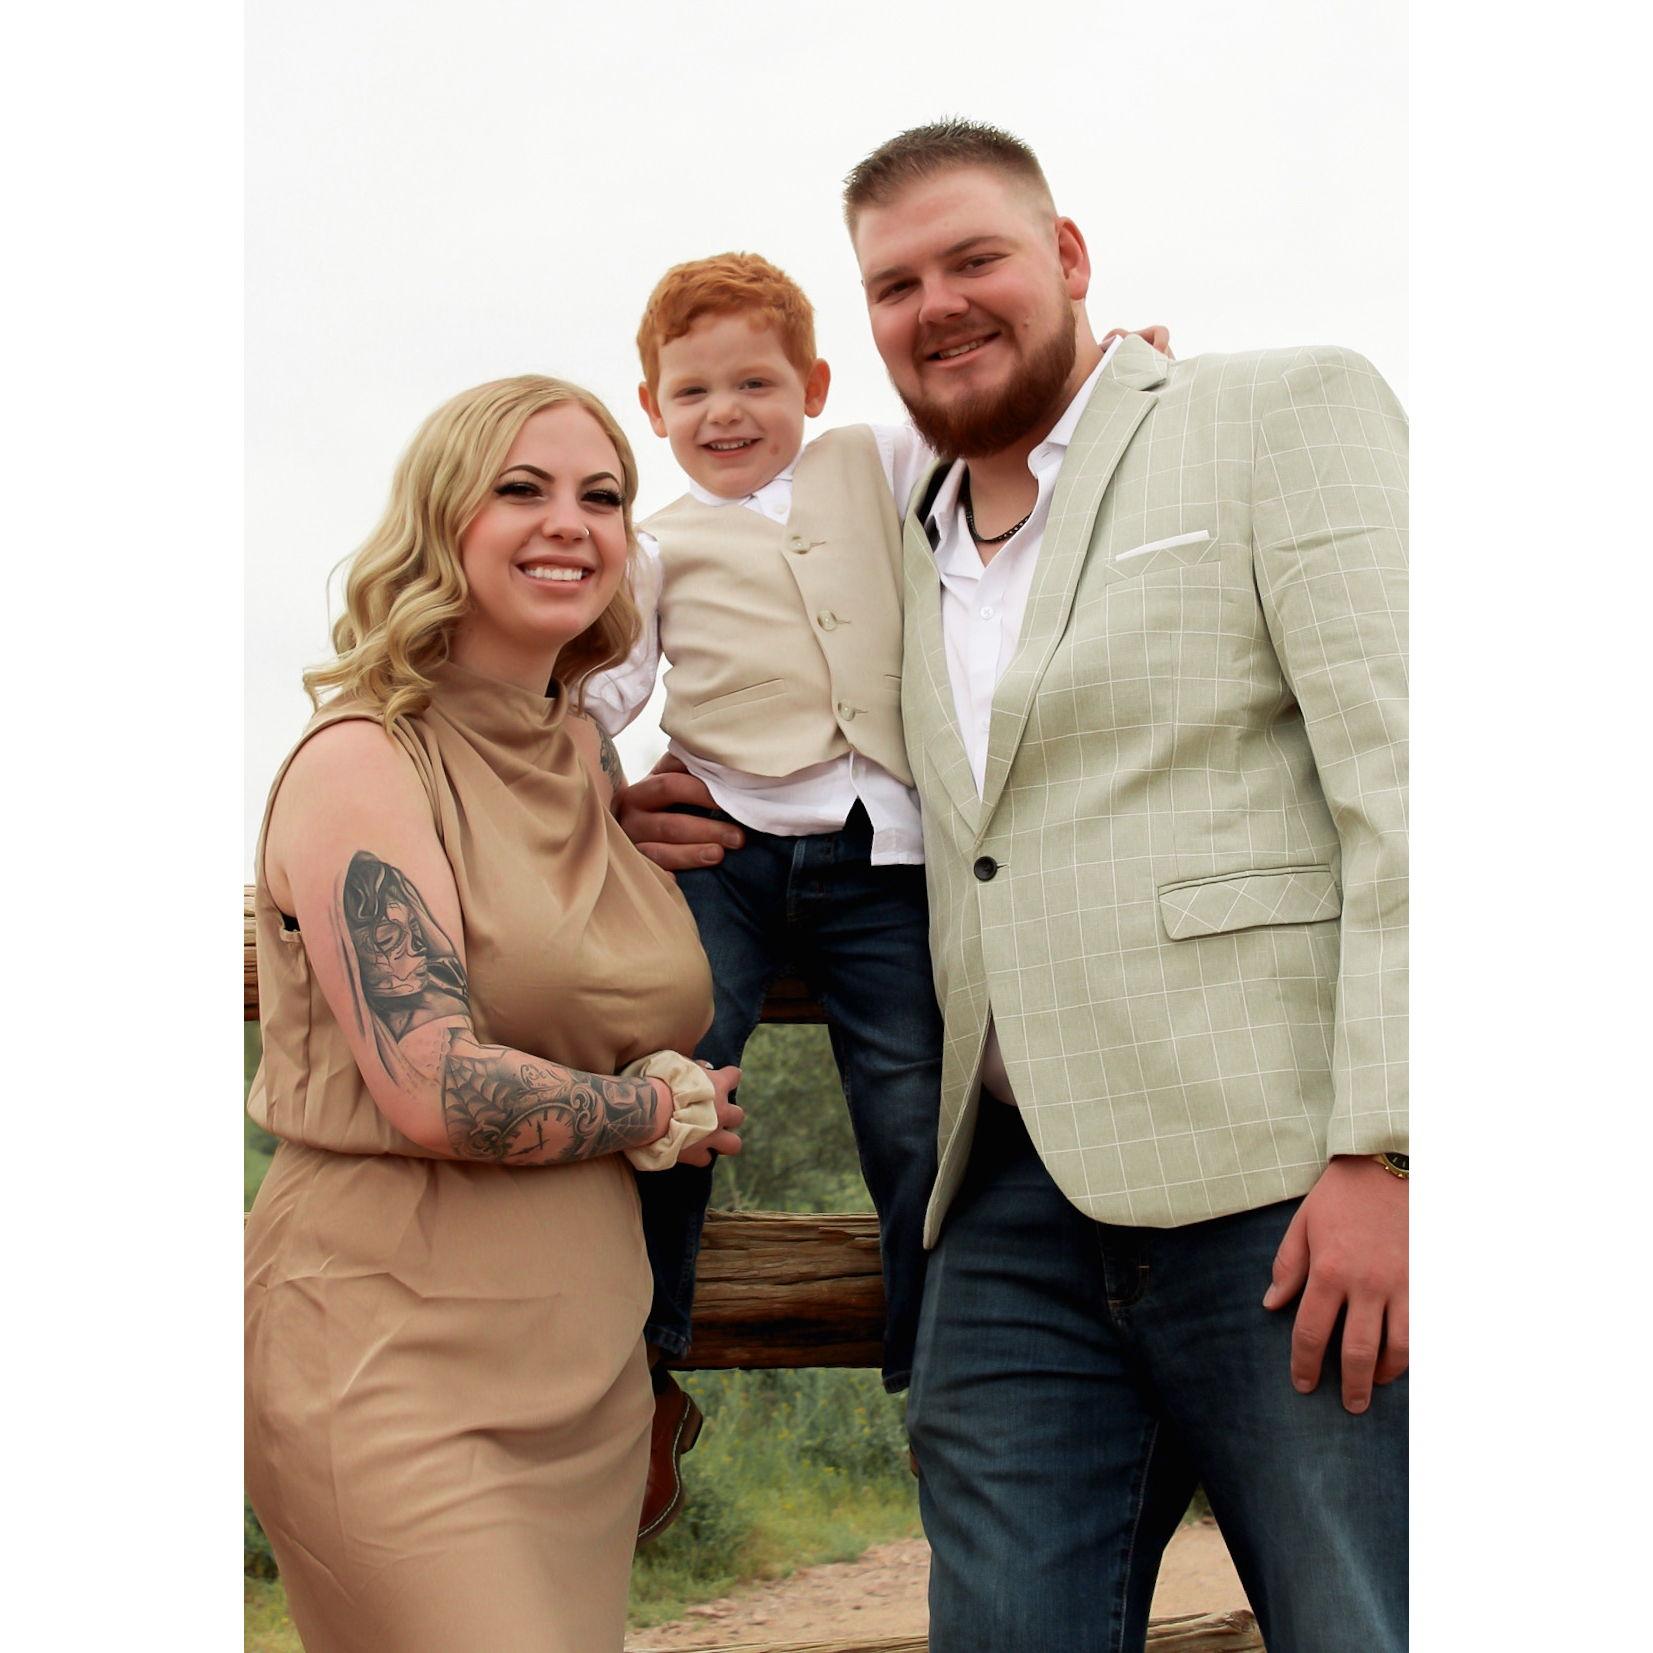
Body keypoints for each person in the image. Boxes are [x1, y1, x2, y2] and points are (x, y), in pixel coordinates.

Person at [624, 121, 1408, 1653]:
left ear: (1067, 256)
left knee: (1363, 1621)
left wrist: (1391, 1152)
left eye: (974, 257)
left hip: (1278, 1187)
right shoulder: (898, 520)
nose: (938, 303)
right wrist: (624, 793)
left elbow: (1415, 782)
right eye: (895, 283)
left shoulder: (1274, 413)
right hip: (997, 1208)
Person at [244, 374, 743, 1653]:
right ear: (440, 520)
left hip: (587, 1369)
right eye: (521, 489)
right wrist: (657, 1109)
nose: (568, 521)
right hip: (390, 1361)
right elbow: (434, 1085)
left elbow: (553, 958)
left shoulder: (583, 754)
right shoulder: (363, 758)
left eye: (602, 497)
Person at [584, 251, 946, 1539]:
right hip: (725, 850)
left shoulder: (876, 463)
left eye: (756, 383)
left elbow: (1016, 437)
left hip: (879, 849)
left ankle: (942, 1385)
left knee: (916, 1110)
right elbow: (601, 693)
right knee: (680, 1082)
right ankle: (646, 1368)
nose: (725, 412)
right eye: (693, 392)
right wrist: (600, 795)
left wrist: (1126, 374)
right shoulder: (655, 548)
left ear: (816, 385)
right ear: (653, 407)